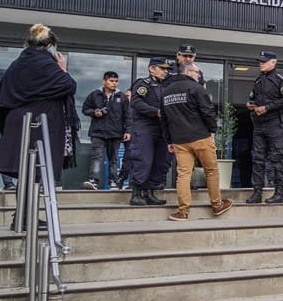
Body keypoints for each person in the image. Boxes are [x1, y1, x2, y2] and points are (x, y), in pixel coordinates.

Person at [0, 24, 78, 207]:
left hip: (18, 122)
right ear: (50, 45)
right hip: (39, 123)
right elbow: (69, 86)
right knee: (35, 171)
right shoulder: (46, 63)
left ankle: (23, 216)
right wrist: (63, 68)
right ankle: (26, 217)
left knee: (27, 173)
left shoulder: (17, 64)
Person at [161, 62, 233, 221]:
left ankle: (183, 211)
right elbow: (208, 111)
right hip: (201, 137)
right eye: (197, 72)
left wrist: (168, 140)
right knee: (211, 171)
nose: (199, 76)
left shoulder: (166, 92)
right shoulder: (197, 88)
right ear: (188, 72)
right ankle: (217, 205)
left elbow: (164, 120)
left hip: (179, 140)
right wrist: (213, 130)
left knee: (183, 175)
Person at [244, 51, 283, 204]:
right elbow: (252, 98)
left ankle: (279, 193)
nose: (261, 63)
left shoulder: (281, 80)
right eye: (260, 61)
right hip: (259, 124)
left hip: (275, 124)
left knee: (277, 158)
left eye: (264, 61)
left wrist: (267, 107)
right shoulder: (258, 80)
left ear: (273, 63)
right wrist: (250, 105)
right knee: (257, 158)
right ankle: (257, 192)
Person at [126, 56, 171, 207]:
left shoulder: (165, 87)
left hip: (161, 130)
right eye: (162, 68)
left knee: (159, 162)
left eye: (167, 69)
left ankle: (150, 193)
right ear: (152, 69)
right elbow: (136, 102)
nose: (165, 72)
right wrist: (156, 112)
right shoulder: (143, 83)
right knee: (143, 160)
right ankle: (136, 193)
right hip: (145, 128)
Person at [81, 71, 129, 190]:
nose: (114, 83)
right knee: (97, 157)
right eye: (111, 81)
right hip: (98, 132)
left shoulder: (122, 97)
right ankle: (94, 181)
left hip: (115, 133)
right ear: (104, 81)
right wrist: (94, 113)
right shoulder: (95, 94)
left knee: (113, 159)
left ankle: (113, 181)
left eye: (116, 81)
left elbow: (128, 115)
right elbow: (85, 109)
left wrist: (128, 131)